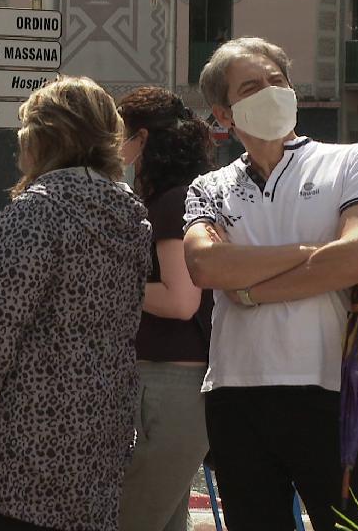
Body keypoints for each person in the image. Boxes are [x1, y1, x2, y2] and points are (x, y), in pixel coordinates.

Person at [183, 37, 358, 530]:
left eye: (278, 81)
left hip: (325, 388)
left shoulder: (352, 162)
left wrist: (252, 289)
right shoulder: (208, 187)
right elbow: (206, 267)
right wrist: (316, 257)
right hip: (235, 393)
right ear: (224, 113)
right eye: (252, 87)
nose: (271, 92)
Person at [0, 77, 152, 531]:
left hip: (19, 451)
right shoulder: (130, 217)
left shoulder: (35, 215)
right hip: (98, 438)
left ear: (41, 138)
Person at [115, 87, 214, 531]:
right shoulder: (176, 196)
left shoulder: (174, 201)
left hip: (172, 383)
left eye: (120, 131)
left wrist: (112, 286)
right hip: (168, 380)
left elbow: (180, 299)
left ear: (142, 138)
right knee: (164, 518)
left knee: (132, 519)